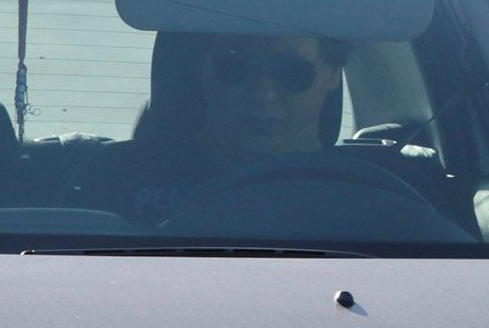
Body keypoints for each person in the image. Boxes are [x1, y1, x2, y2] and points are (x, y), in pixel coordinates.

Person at [66, 32, 348, 224]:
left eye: (291, 71)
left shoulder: (367, 197)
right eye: (234, 65)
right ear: (200, 69)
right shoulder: (115, 178)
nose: (263, 94)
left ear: (334, 73)